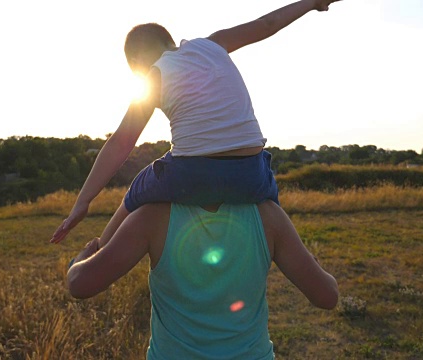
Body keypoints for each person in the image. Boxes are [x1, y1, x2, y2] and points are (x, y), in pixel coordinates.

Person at [50, 0, 343, 246]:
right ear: (170, 41)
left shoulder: (155, 75)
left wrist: (83, 202)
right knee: (266, 184)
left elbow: (122, 142)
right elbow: (268, 24)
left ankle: (102, 248)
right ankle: (273, 239)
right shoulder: (215, 44)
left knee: (139, 186)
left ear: (139, 59)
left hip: (194, 175)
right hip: (252, 174)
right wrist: (312, 3)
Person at [66, 200, 339, 358]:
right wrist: (315, 266)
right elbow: (327, 296)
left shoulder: (153, 215)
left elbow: (80, 284)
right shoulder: (267, 213)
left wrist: (78, 262)